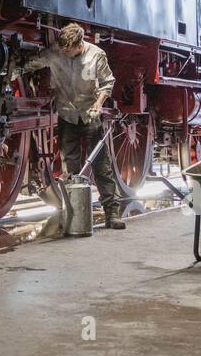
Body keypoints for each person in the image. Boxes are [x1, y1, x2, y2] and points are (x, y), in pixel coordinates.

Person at [20, 22, 126, 229]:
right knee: (71, 168)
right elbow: (32, 63)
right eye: (63, 50)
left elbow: (107, 82)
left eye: (69, 50)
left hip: (89, 115)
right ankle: (75, 216)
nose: (65, 54)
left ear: (80, 44)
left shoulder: (97, 55)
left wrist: (98, 104)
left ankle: (112, 214)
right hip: (67, 115)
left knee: (102, 167)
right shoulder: (56, 53)